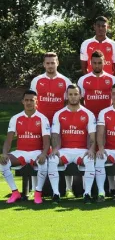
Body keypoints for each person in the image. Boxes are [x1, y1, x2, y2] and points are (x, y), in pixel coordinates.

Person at [30, 52, 73, 199]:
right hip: (40, 123)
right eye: (47, 63)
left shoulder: (65, 81)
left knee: (62, 153)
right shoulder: (36, 81)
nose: (50, 66)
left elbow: (68, 104)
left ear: (57, 63)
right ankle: (34, 189)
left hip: (60, 124)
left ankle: (68, 188)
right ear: (44, 64)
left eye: (52, 63)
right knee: (37, 153)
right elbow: (32, 103)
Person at [48, 84, 97, 204]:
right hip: (64, 151)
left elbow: (92, 136)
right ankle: (56, 194)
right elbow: (55, 134)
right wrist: (55, 149)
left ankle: (87, 194)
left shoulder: (88, 114)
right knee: (53, 160)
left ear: (80, 95)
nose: (73, 97)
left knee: (90, 160)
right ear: (66, 96)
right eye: (70, 94)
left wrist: (91, 149)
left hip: (82, 151)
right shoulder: (59, 114)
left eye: (76, 94)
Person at [0, 90, 50, 204]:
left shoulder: (42, 118)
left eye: (31, 100)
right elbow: (8, 140)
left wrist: (43, 153)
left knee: (44, 162)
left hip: (36, 152)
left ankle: (38, 193)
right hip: (20, 152)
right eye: (26, 100)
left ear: (36, 102)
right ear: (22, 101)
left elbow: (47, 142)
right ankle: (15, 192)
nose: (29, 103)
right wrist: (4, 153)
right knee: (3, 161)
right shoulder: (15, 118)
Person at [78, 50, 115, 117]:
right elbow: (80, 100)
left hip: (107, 117)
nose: (97, 65)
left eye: (99, 63)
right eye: (95, 63)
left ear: (104, 62)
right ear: (90, 62)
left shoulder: (112, 79)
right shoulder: (82, 79)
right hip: (89, 117)